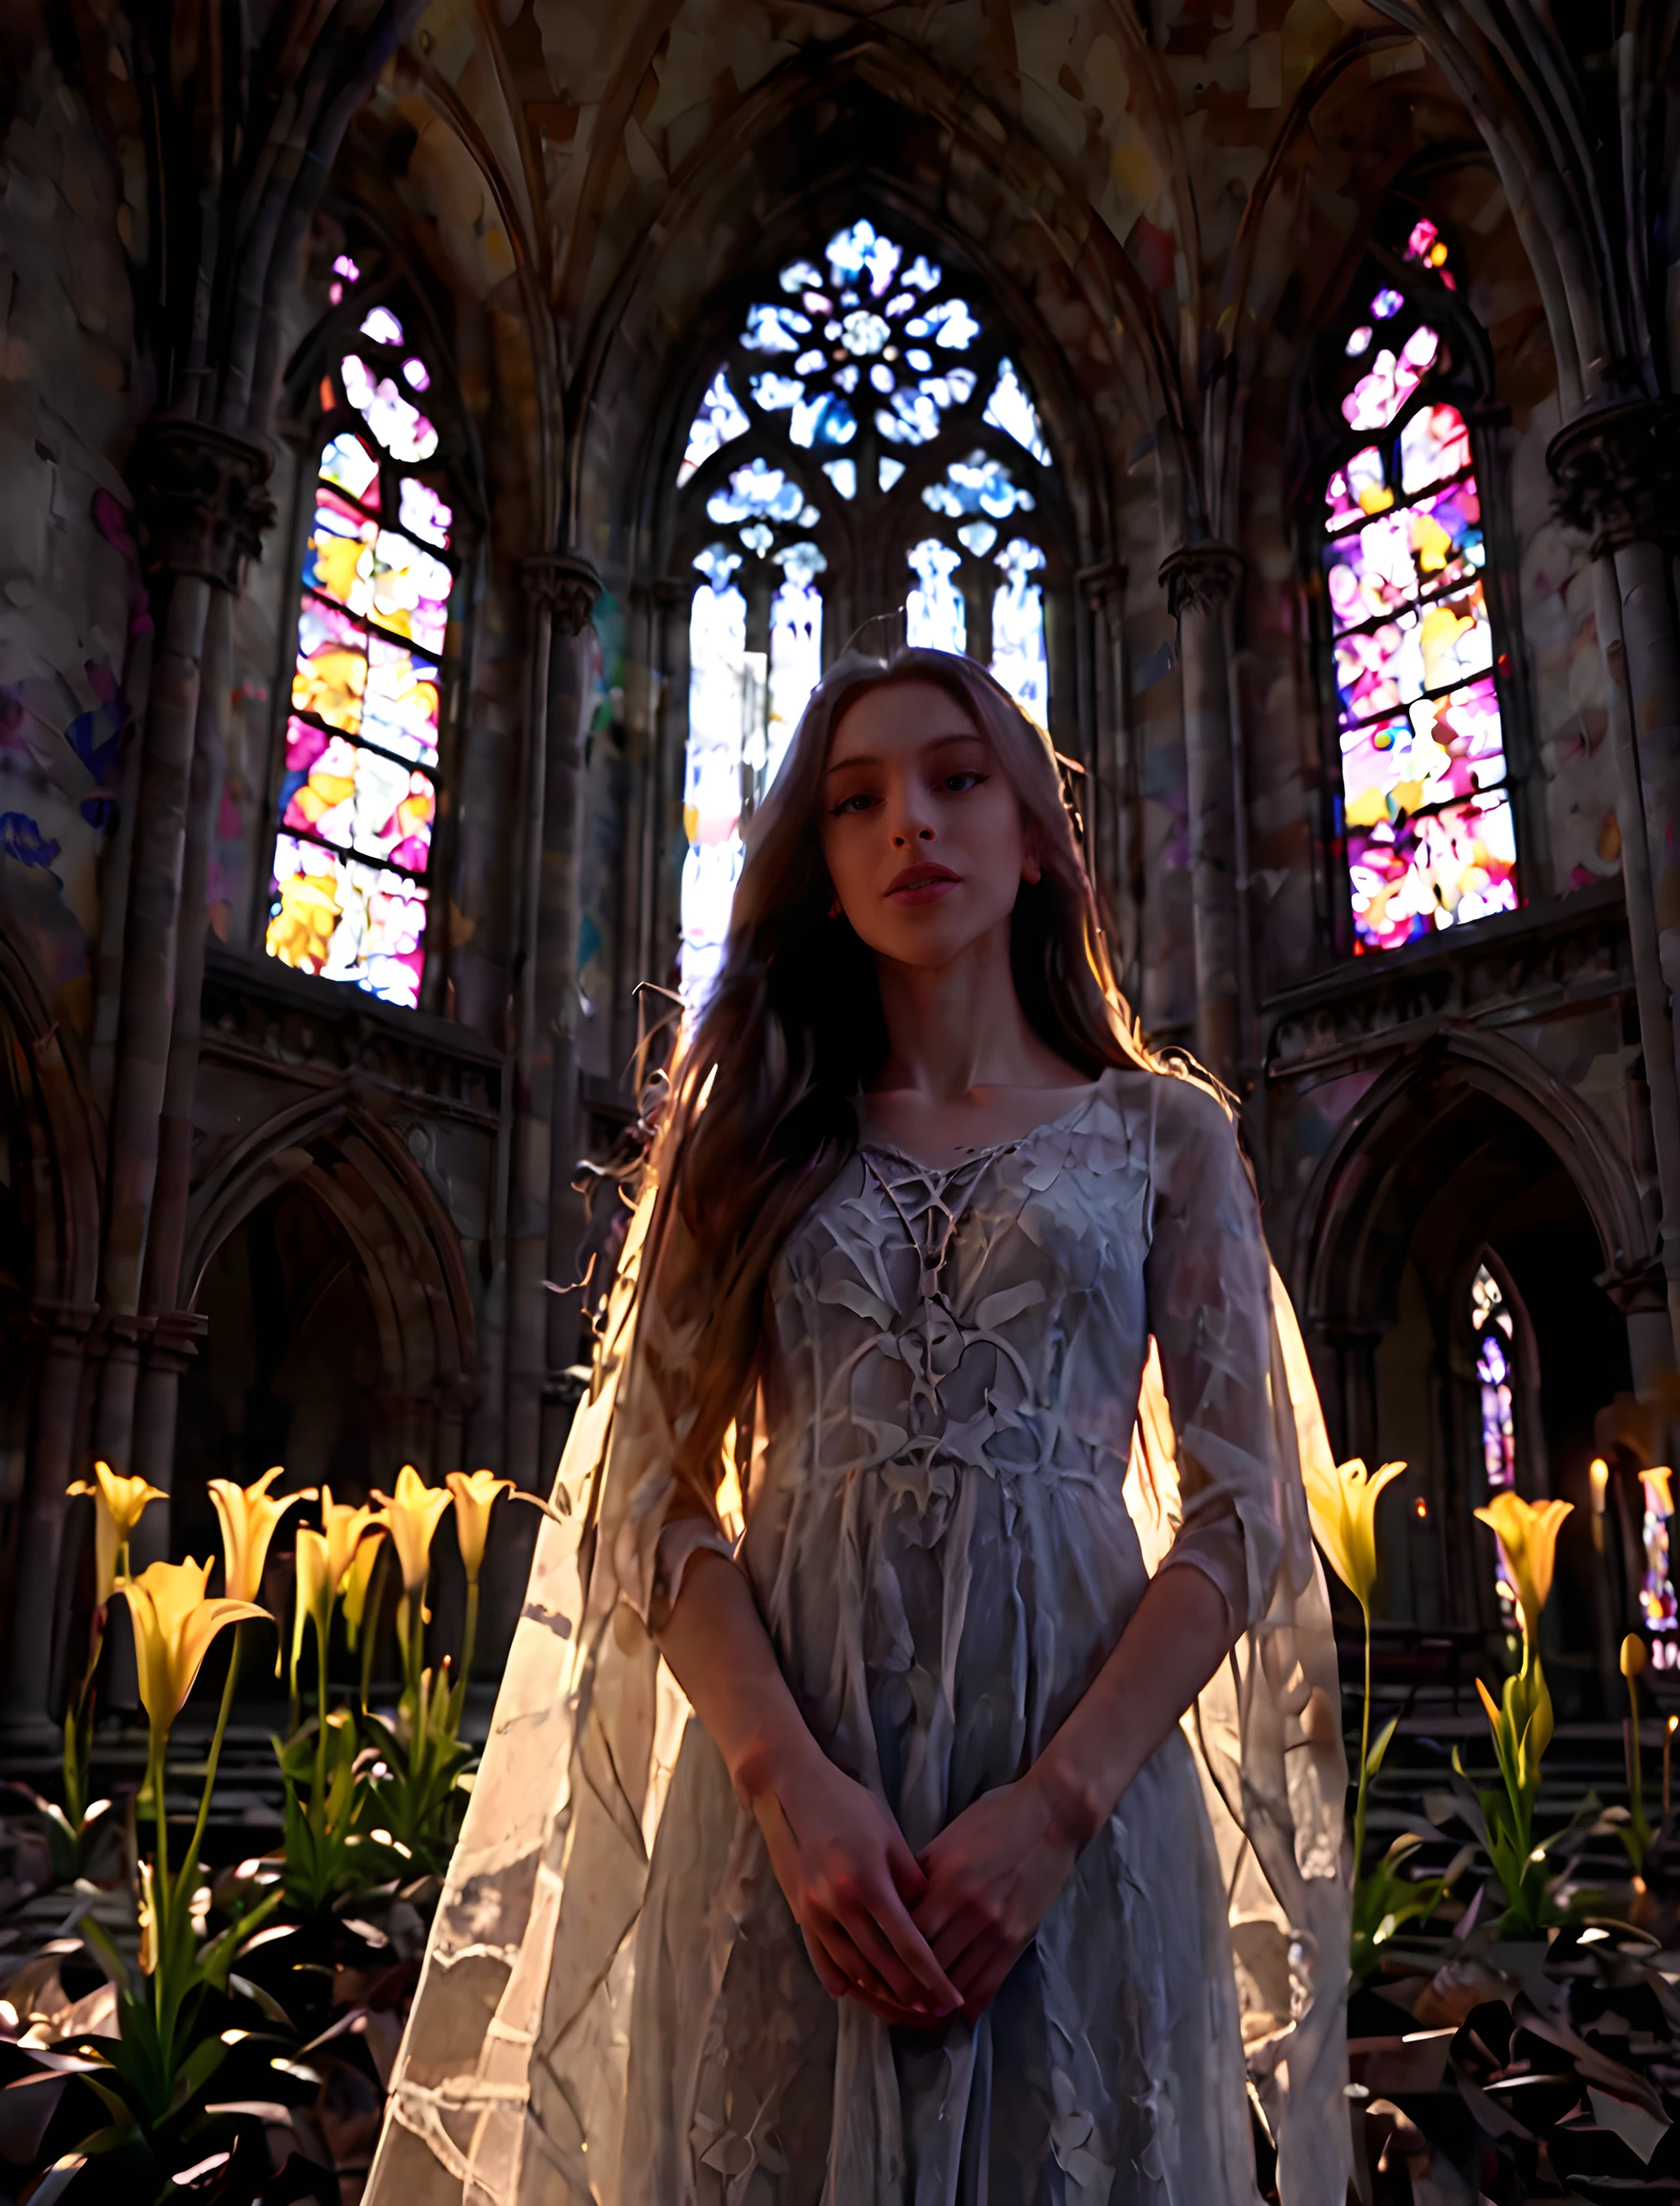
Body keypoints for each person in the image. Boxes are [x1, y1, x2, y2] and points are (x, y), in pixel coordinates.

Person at [366, 650, 1351, 2206]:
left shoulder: (1168, 1136)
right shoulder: (745, 1137)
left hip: (1077, 1798)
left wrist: (1056, 1809)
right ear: (819, 869)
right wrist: (783, 1785)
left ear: (1036, 837)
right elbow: (649, 1494)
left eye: (958, 780)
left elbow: (1244, 1516)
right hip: (793, 1808)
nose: (912, 825)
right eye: (857, 800)